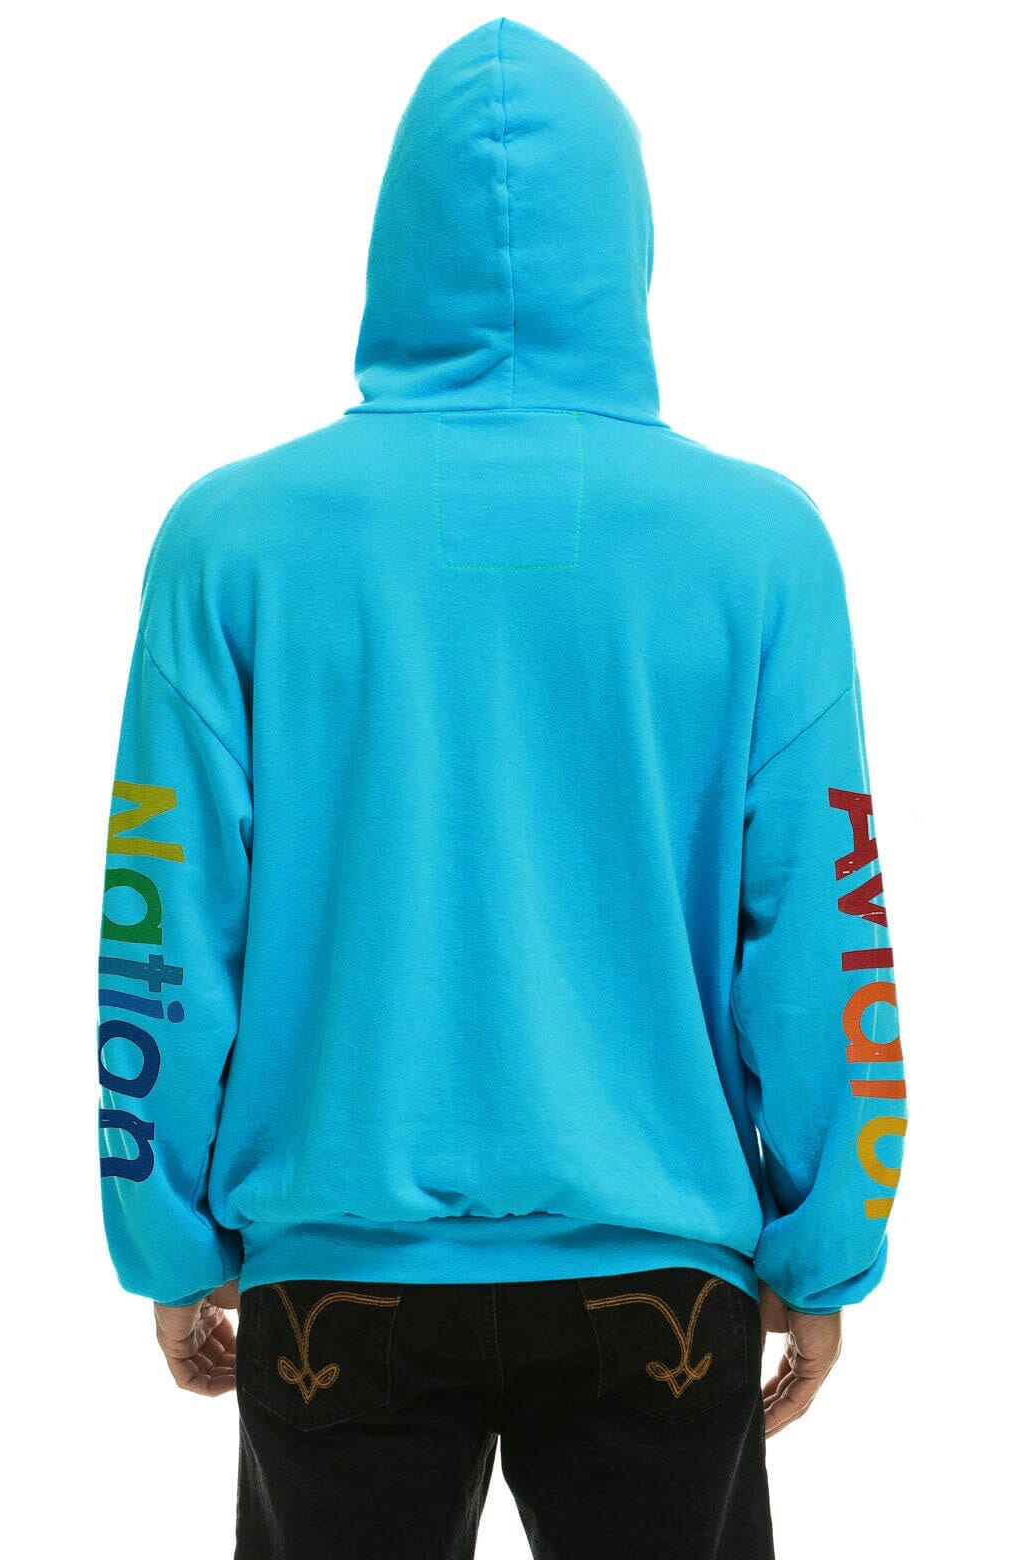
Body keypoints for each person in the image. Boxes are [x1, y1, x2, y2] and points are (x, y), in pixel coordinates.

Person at [94, 16, 908, 1559]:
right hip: (660, 1278)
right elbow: (826, 927)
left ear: (394, 233)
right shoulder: (759, 546)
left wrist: (168, 1237)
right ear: (632, 235)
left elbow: (162, 921)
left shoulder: (231, 539)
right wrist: (828, 1243)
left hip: (334, 1281)